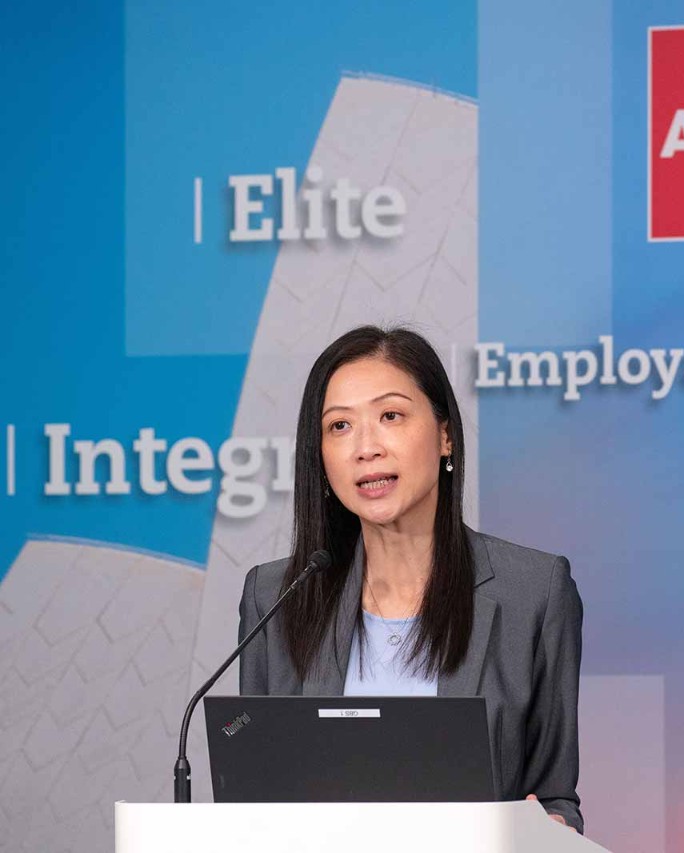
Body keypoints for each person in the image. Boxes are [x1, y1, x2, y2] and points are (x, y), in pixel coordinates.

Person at [236, 325, 584, 834]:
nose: (366, 447)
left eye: (391, 416)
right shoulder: (276, 598)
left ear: (445, 435)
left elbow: (554, 795)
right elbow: (254, 799)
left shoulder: (533, 592)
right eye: (339, 426)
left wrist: (552, 825)